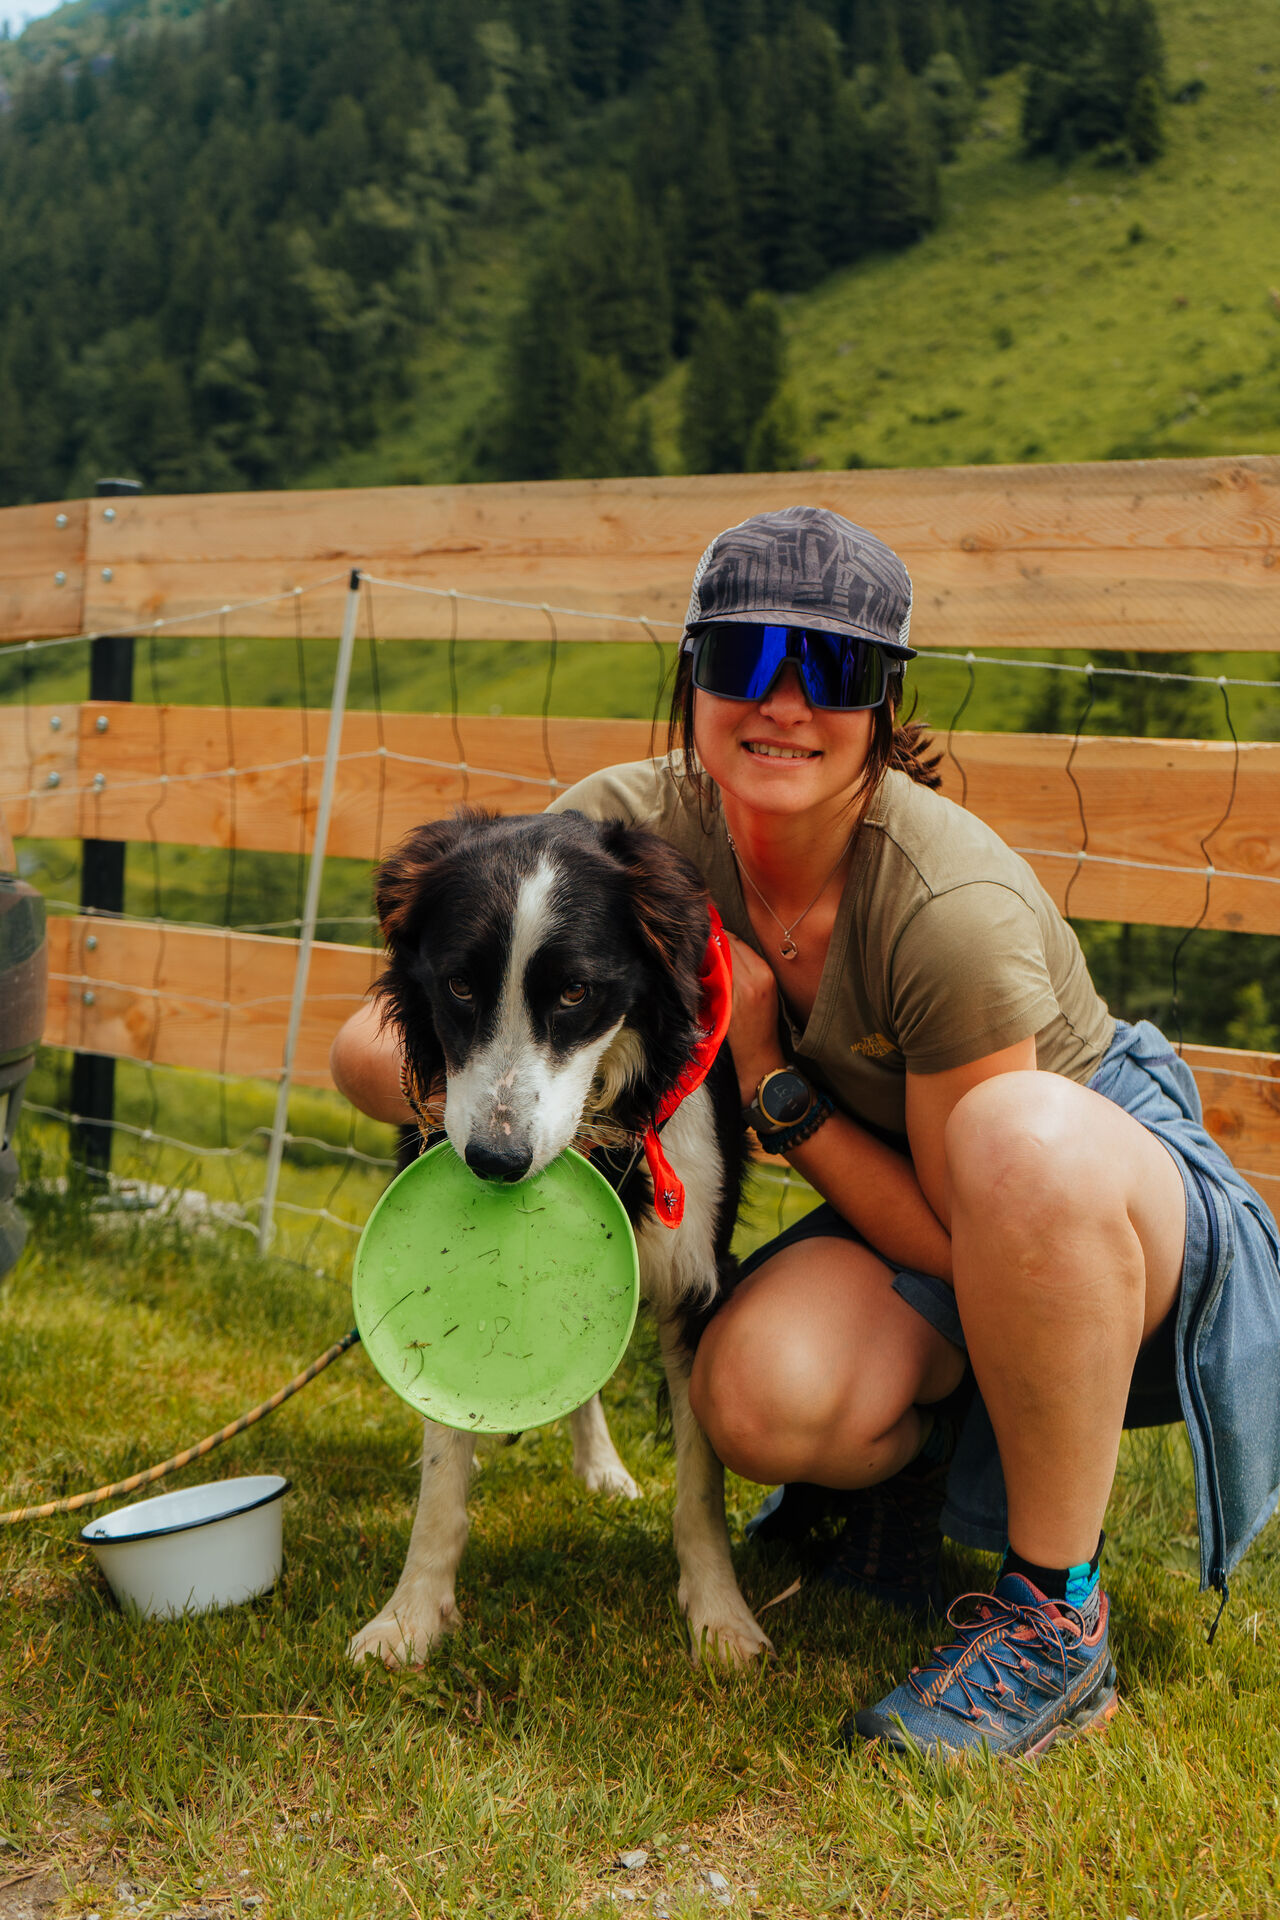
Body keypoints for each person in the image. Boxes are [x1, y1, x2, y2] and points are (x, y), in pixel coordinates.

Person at [331, 506, 1280, 1759]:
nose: (780, 705)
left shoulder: (948, 904)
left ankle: (1055, 1617)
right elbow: (372, 1038)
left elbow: (964, 1235)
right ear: (691, 679)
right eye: (743, 662)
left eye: (824, 669)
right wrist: (466, 1103)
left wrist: (769, 1068)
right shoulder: (620, 835)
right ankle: (890, 1489)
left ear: (883, 702)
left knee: (1017, 1146)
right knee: (756, 1397)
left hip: (1083, 1210)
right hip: (907, 1194)